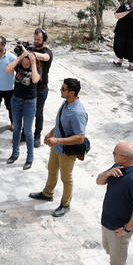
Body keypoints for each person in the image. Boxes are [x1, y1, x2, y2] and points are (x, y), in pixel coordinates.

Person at [29, 78, 88, 217]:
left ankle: (65, 204)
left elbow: (80, 137)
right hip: (57, 147)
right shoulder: (65, 103)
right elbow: (61, 123)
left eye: (63, 89)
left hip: (67, 150)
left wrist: (58, 140)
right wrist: (51, 133)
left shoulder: (78, 112)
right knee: (51, 169)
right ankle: (47, 193)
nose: (61, 90)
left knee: (66, 178)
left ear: (72, 93)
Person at [5, 45, 39, 168]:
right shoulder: (19, 65)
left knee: (28, 131)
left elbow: (35, 80)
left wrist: (33, 63)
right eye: (24, 63)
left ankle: (30, 158)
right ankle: (15, 154)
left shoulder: (36, 69)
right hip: (16, 100)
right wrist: (20, 58)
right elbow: (7, 69)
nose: (25, 65)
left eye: (27, 63)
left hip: (29, 103)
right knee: (16, 129)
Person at [28, 28, 53, 148]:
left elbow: (45, 57)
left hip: (41, 88)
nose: (36, 41)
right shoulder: (31, 49)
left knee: (38, 113)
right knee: (27, 112)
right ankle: (25, 132)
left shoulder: (47, 51)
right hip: (30, 86)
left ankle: (37, 135)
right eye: (35, 39)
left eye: (39, 39)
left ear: (44, 40)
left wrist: (31, 54)